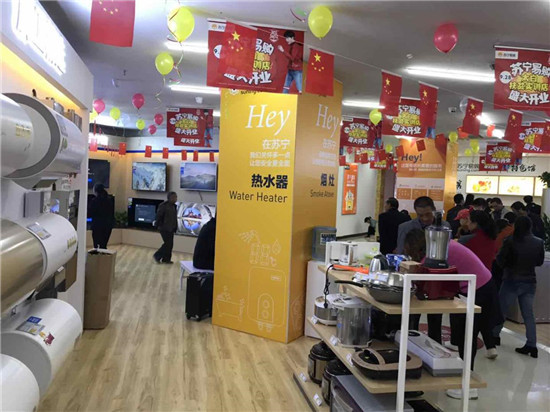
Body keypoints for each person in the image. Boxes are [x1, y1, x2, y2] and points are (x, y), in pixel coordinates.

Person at [404, 229, 500, 401]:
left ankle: (468, 387)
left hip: (479, 288)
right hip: (479, 285)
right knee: (465, 335)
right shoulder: (441, 245)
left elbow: (422, 281)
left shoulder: (434, 254)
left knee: (467, 337)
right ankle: (465, 381)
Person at [494, 217, 545, 358]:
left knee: (502, 310)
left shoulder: (510, 241)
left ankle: (494, 336)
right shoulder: (539, 242)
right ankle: (532, 345)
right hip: (530, 281)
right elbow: (539, 262)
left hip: (511, 280)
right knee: (528, 314)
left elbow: (500, 259)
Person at [457, 210, 500, 359]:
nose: (467, 223)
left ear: (475, 223)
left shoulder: (467, 240)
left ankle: (466, 361)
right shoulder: (492, 238)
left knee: (469, 326)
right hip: (488, 281)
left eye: (469, 220)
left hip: (470, 285)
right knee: (483, 318)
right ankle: (491, 346)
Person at [153, 192, 178, 264]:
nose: (175, 199)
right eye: (174, 197)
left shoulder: (174, 206)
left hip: (171, 228)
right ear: (169, 198)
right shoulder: (163, 206)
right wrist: (158, 225)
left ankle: (166, 259)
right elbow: (159, 216)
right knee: (167, 244)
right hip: (164, 228)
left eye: (176, 197)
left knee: (170, 244)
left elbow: (174, 218)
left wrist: (175, 227)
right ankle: (157, 255)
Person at [88, 183, 115, 249]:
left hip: (97, 226)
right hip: (108, 226)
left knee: (96, 246)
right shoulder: (109, 200)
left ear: (96, 191)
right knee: (103, 245)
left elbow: (90, 212)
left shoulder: (94, 201)